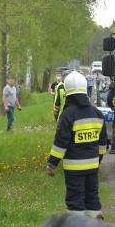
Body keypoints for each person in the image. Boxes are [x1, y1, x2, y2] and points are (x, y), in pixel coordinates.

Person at [46, 72, 108, 218]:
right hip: (92, 166)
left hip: (74, 168)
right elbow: (103, 143)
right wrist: (97, 160)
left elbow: (61, 143)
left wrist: (52, 164)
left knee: (75, 199)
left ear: (68, 91)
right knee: (92, 197)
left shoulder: (68, 114)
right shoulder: (97, 113)